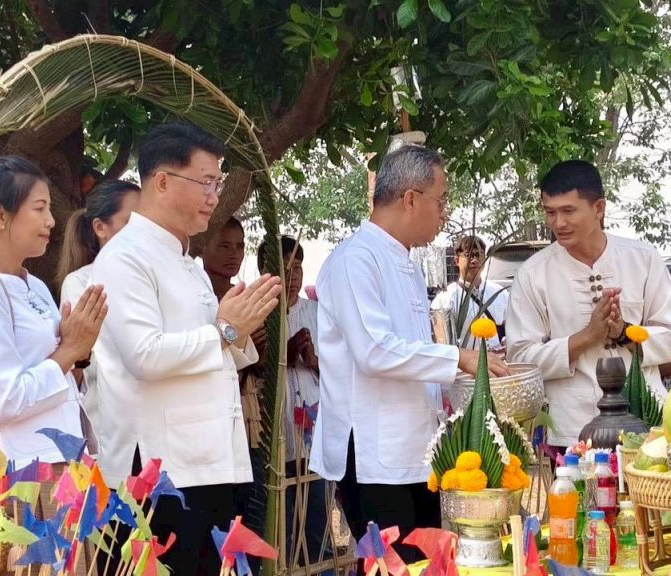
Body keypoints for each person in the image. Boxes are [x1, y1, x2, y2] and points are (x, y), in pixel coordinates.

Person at [92, 122, 281, 575]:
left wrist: (237, 332)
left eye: (218, 183)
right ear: (162, 181)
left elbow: (217, 346)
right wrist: (226, 331)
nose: (215, 196)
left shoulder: (187, 263)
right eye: (206, 182)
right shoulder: (125, 257)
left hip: (207, 460)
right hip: (160, 470)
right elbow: (145, 355)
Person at [310, 145, 508, 563]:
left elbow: (413, 351)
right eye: (441, 201)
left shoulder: (408, 264)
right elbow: (374, 351)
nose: (444, 214)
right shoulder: (355, 259)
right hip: (373, 451)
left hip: (416, 445)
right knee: (391, 565)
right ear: (411, 199)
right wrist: (458, 358)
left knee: (428, 563)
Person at [506, 160, 671, 453]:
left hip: (647, 423)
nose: (558, 223)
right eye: (550, 212)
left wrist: (624, 332)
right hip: (573, 433)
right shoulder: (533, 273)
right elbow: (520, 360)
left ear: (599, 208)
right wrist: (585, 338)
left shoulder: (642, 258)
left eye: (568, 211)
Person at [0, 156, 106, 469]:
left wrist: (79, 353)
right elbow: (6, 400)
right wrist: (69, 351)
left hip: (58, 459)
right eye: (39, 208)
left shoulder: (35, 286)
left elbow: (61, 377)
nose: (51, 221)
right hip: (11, 472)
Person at [256, 235, 328, 570]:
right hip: (274, 437)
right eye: (284, 269)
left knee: (318, 526)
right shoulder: (258, 315)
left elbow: (340, 372)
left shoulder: (317, 313)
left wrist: (313, 361)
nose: (293, 276)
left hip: (314, 439)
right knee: (280, 530)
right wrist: (280, 354)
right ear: (265, 271)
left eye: (297, 267)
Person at [56, 180, 141, 454]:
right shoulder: (81, 283)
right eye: (131, 222)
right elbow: (89, 361)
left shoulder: (155, 278)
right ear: (100, 228)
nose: (143, 231)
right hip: (110, 433)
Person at [431, 235, 508, 350]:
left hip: (497, 359)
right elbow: (443, 345)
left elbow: (513, 329)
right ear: (456, 260)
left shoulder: (500, 293)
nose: (475, 260)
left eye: (479, 255)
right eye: (469, 255)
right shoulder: (444, 299)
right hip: (464, 361)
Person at [203, 216, 246, 300]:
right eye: (225, 246)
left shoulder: (245, 299)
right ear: (202, 248)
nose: (235, 253)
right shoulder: (188, 294)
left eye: (240, 246)